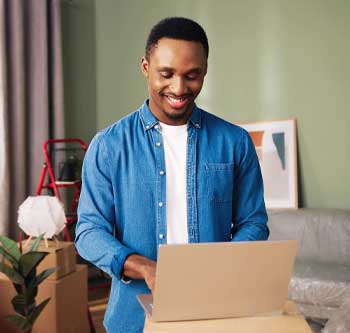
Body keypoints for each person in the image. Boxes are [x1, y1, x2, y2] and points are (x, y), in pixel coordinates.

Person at [75, 17, 269, 333]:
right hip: (133, 320)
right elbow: (88, 232)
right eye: (166, 74)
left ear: (205, 70)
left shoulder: (235, 142)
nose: (179, 88)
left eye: (192, 75)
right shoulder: (108, 146)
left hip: (216, 312)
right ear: (145, 67)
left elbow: (254, 223)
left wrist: (221, 264)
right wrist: (145, 268)